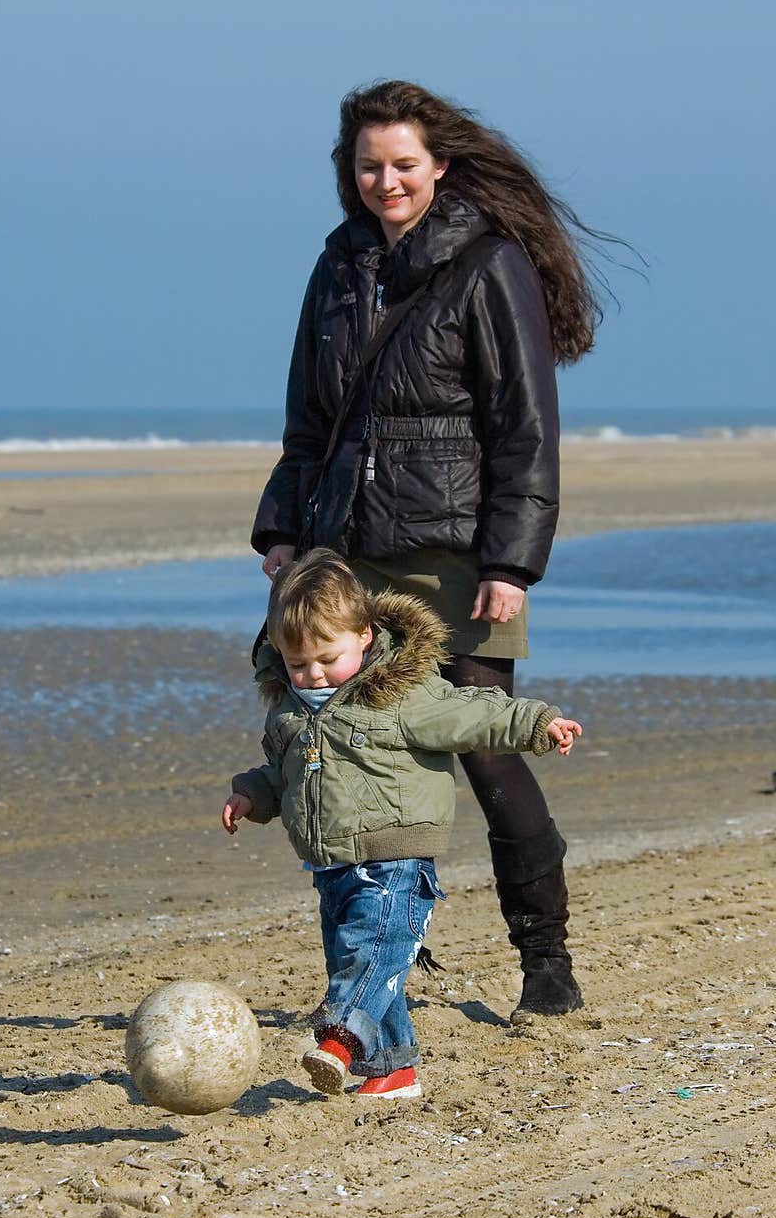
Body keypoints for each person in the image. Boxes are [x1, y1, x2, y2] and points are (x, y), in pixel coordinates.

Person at [251, 79, 609, 1024]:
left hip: (458, 549)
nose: (386, 180)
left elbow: (525, 427)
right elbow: (308, 417)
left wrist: (510, 562)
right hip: (346, 546)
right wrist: (283, 529)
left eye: (403, 163)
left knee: (483, 745)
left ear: (439, 165)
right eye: (370, 165)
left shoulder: (491, 264)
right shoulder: (337, 265)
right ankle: (383, 944)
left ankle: (547, 959)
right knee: (351, 743)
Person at [222, 549, 582, 1100]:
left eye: (326, 658)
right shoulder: (290, 712)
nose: (312, 673)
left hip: (396, 854)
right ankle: (392, 1069)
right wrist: (252, 795)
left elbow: (477, 711)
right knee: (363, 957)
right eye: (297, 664)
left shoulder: (402, 694)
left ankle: (342, 1037)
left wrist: (537, 721)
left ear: (364, 636)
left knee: (375, 947)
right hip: (332, 861)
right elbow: (284, 773)